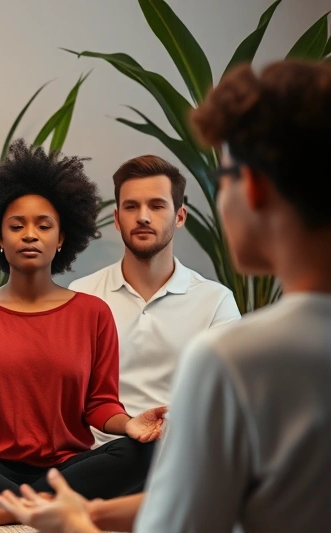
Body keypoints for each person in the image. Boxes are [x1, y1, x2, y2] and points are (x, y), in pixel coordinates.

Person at [0, 59, 331, 533]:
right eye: (131, 207)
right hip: (108, 458)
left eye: (224, 177)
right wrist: (92, 511)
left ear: (256, 188)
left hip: (163, 466)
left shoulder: (233, 357)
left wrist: (80, 529)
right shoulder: (82, 298)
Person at [0, 141, 165, 528]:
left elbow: (99, 405)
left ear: (62, 238)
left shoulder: (93, 313)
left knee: (142, 452)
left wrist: (129, 424)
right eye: (17, 225)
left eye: (43, 226)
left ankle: (0, 512)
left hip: (68, 467)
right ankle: (37, 507)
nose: (30, 235)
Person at [70, 155, 239, 475]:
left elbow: (229, 397)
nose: (143, 217)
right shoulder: (83, 295)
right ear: (117, 219)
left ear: (180, 216)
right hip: (99, 456)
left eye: (157, 206)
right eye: (131, 207)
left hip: (183, 454)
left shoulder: (215, 301)